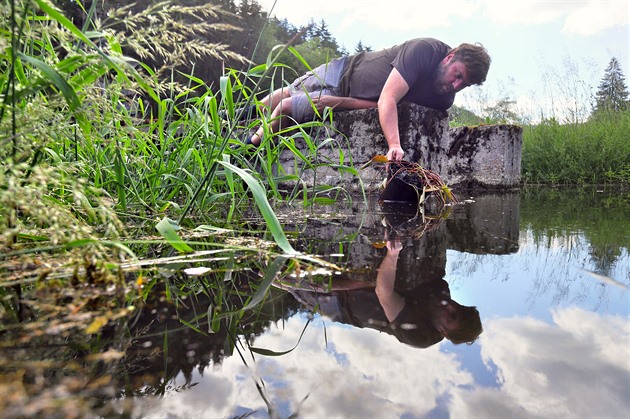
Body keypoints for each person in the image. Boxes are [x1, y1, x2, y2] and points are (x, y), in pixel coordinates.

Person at [243, 37, 490, 161]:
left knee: (288, 105)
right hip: (344, 69)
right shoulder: (425, 50)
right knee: (288, 91)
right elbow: (388, 98)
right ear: (450, 57)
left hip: (343, 97)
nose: (455, 86)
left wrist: (339, 103)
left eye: (464, 84)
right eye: (457, 75)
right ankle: (239, 116)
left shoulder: (442, 101)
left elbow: (384, 105)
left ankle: (249, 147)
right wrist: (394, 144)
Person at [276, 239, 483, 348]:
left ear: (443, 332)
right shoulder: (441, 291)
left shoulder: (420, 335)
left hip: (340, 305)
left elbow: (384, 292)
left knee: (280, 278)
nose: (451, 307)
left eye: (451, 317)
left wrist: (392, 252)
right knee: (289, 260)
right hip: (353, 284)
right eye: (459, 307)